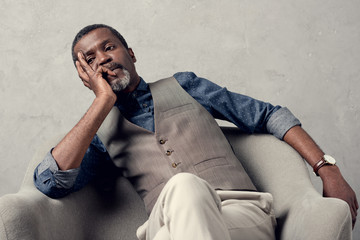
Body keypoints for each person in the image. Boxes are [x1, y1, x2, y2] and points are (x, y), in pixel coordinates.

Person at [34, 24, 358, 239]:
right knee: (182, 194)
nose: (103, 59)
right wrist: (103, 101)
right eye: (90, 59)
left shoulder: (187, 86)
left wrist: (328, 169)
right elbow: (51, 182)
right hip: (166, 223)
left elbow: (269, 115)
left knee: (184, 189)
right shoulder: (101, 131)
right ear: (85, 76)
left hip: (241, 215)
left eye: (109, 48)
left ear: (130, 54)